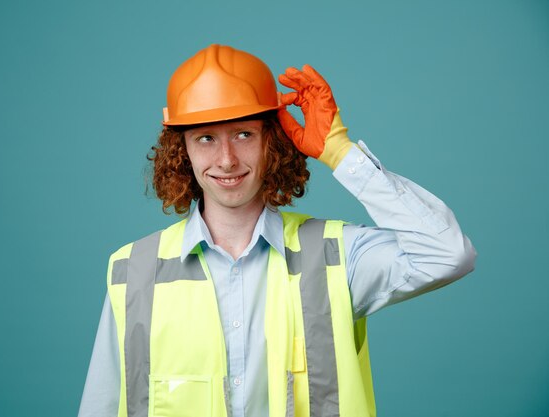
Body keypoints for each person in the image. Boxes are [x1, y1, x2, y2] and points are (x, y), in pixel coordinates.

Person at [78, 44, 476, 417]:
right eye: (206, 138)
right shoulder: (134, 272)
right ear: (183, 150)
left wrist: (340, 153)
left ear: (274, 141)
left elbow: (447, 254)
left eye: (244, 134)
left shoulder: (336, 255)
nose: (227, 159)